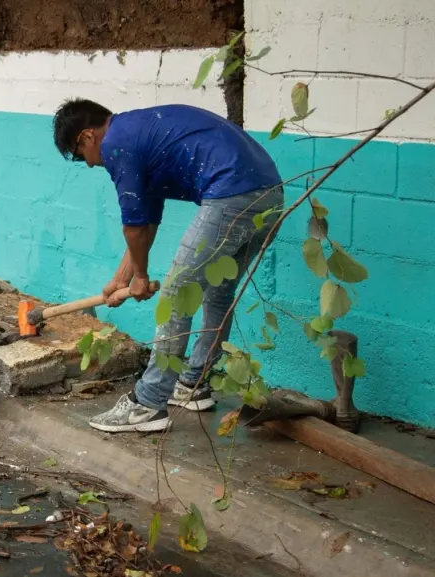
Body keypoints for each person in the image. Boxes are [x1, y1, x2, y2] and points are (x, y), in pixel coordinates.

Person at [52, 99, 284, 433]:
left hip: (232, 193)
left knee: (176, 294)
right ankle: (193, 384)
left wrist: (142, 277)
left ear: (88, 136)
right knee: (218, 290)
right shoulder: (141, 135)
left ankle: (147, 404)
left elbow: (132, 226)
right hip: (270, 196)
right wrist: (121, 280)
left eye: (78, 154)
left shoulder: (117, 145)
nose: (87, 164)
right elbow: (145, 226)